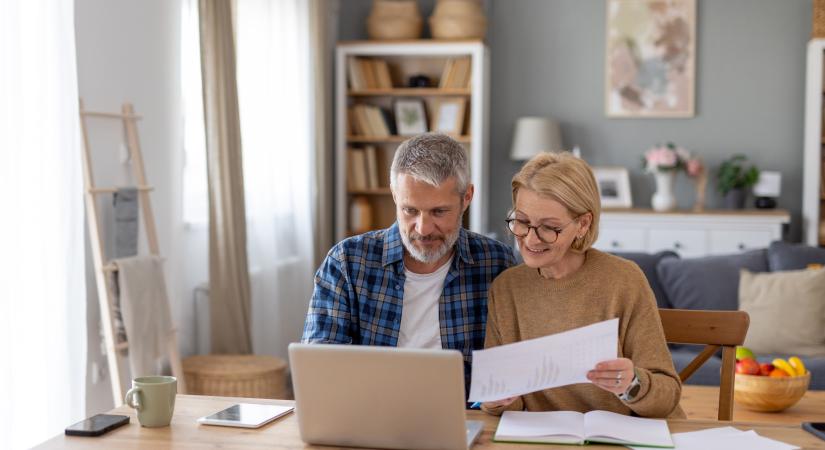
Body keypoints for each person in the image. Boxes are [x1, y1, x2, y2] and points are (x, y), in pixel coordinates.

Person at [302, 133, 516, 393]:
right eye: (410, 210)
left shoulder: (496, 263)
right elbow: (321, 367)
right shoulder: (346, 262)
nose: (423, 229)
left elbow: (511, 360)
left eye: (439, 211)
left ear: (467, 197)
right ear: (394, 195)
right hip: (370, 415)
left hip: (463, 417)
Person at [481, 152, 684, 418]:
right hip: (544, 441)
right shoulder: (507, 288)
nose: (530, 240)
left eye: (549, 227)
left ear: (582, 223)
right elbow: (506, 403)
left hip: (621, 439)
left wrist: (632, 384)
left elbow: (666, 394)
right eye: (522, 222)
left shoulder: (624, 280)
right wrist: (498, 400)